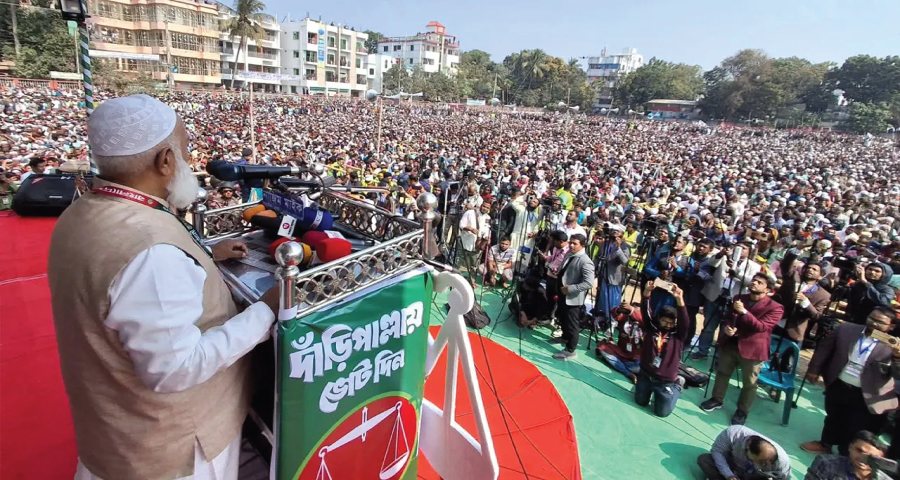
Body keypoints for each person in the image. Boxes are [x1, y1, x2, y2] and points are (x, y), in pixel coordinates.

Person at [46, 95, 280, 480]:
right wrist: (266, 310)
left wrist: (204, 253)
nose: (187, 161)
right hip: (171, 452)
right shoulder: (151, 253)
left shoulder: (80, 213)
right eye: (184, 151)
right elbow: (175, 370)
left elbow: (124, 279)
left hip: (114, 428)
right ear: (165, 162)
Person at [800, 307, 900, 456]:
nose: (873, 323)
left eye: (879, 322)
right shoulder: (846, 329)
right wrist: (814, 370)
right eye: (871, 318)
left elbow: (897, 374)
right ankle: (825, 443)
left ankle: (846, 453)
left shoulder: (893, 346)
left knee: (855, 426)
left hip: (867, 394)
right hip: (839, 383)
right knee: (833, 416)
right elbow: (824, 349)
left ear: (891, 326)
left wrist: (897, 356)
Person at [700, 273, 783, 426]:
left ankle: (742, 411)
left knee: (749, 383)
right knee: (722, 373)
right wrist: (728, 328)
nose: (754, 283)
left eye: (759, 282)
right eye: (754, 280)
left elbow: (761, 327)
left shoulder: (775, 308)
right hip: (731, 343)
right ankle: (717, 399)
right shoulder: (739, 298)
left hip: (753, 350)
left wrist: (744, 312)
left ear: (768, 289)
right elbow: (728, 317)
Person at [635, 281, 690, 417]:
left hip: (666, 380)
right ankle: (645, 388)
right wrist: (647, 292)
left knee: (662, 413)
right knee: (640, 402)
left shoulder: (678, 335)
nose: (668, 325)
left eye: (672, 323)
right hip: (646, 374)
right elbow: (645, 311)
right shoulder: (651, 328)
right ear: (658, 319)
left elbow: (685, 321)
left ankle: (677, 386)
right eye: (665, 321)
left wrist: (679, 298)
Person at [549, 233, 595, 360]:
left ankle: (570, 350)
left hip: (572, 298)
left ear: (582, 245)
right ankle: (564, 338)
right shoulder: (569, 254)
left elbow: (588, 283)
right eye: (570, 243)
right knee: (563, 317)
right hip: (562, 294)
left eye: (575, 244)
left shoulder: (586, 262)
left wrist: (570, 288)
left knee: (572, 324)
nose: (571, 245)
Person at [697, 425, 791, 480]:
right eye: (760, 462)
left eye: (767, 462)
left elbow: (783, 478)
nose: (759, 466)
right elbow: (717, 451)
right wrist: (728, 474)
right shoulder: (732, 433)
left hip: (755, 477)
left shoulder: (782, 460)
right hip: (733, 466)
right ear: (748, 447)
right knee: (704, 460)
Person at [805, 430, 891, 480]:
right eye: (859, 450)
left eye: (872, 457)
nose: (862, 458)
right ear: (850, 447)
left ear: (882, 459)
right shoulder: (826, 464)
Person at [592, 225, 631, 320]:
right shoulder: (605, 244)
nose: (614, 232)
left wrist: (618, 248)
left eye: (617, 231)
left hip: (614, 278)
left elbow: (624, 261)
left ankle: (612, 320)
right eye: (613, 230)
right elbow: (598, 257)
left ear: (622, 233)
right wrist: (593, 269)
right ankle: (601, 317)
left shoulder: (625, 246)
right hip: (603, 276)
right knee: (602, 299)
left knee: (613, 301)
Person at [845, 261, 896, 325]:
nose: (872, 272)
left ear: (884, 274)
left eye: (877, 271)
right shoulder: (858, 284)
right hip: (850, 319)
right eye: (870, 269)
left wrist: (865, 282)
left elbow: (883, 301)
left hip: (871, 323)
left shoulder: (887, 289)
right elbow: (841, 296)